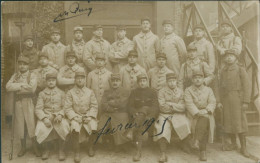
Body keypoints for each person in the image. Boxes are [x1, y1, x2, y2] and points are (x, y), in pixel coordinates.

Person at [217, 49, 250, 158]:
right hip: (226, 100)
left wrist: (246, 101)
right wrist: (219, 101)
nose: (229, 58)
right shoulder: (223, 70)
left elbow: (247, 86)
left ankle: (243, 148)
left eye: (231, 56)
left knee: (240, 123)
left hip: (237, 99)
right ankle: (234, 144)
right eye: (227, 56)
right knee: (229, 123)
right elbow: (220, 87)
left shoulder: (240, 69)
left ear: (236, 58)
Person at [6, 56, 41, 157]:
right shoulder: (15, 75)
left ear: (28, 66)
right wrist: (23, 85)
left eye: (24, 64)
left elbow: (31, 89)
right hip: (18, 102)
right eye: (20, 64)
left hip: (29, 101)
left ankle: (35, 147)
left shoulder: (32, 75)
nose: (22, 66)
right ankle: (23, 147)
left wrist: (17, 87)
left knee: (31, 123)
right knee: (20, 124)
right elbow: (8, 87)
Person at [154, 73, 191, 162]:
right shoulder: (162, 91)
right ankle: (163, 152)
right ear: (166, 82)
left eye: (173, 81)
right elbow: (162, 106)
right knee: (161, 127)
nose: (172, 83)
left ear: (176, 81)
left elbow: (183, 107)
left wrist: (170, 104)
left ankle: (184, 144)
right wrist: (176, 106)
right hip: (164, 114)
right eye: (170, 81)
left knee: (185, 123)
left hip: (178, 114)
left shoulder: (181, 91)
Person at [65, 70, 98, 163]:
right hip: (76, 116)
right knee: (75, 127)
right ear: (75, 80)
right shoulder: (70, 92)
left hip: (87, 115)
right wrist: (74, 117)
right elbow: (67, 108)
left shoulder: (90, 92)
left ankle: (90, 147)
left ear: (85, 80)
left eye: (82, 78)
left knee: (93, 125)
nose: (80, 80)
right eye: (78, 78)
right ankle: (77, 151)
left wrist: (90, 116)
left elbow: (94, 106)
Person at [35, 72, 70, 161]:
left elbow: (65, 107)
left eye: (53, 80)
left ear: (56, 82)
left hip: (58, 115)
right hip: (47, 115)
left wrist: (61, 115)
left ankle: (61, 150)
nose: (51, 82)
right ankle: (46, 149)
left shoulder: (61, 93)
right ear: (46, 82)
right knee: (41, 127)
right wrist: (44, 118)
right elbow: (38, 109)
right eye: (49, 81)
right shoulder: (42, 93)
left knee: (64, 126)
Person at [184, 71, 216, 161]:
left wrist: (207, 110)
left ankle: (198, 144)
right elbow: (188, 103)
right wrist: (197, 112)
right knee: (202, 122)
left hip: (206, 112)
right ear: (192, 80)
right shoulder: (188, 90)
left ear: (203, 79)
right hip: (193, 114)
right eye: (195, 78)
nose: (197, 79)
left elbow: (212, 102)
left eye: (200, 78)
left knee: (204, 120)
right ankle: (202, 151)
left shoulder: (209, 90)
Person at [127, 73, 159, 162]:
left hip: (149, 116)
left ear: (147, 82)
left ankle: (131, 131)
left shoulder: (152, 92)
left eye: (144, 81)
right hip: (138, 116)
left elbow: (155, 106)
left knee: (144, 108)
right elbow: (130, 106)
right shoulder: (134, 92)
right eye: (140, 81)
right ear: (138, 83)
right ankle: (138, 151)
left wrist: (150, 116)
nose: (142, 83)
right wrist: (134, 113)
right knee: (140, 125)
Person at [98, 73, 131, 151]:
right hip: (109, 113)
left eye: (117, 81)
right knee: (100, 128)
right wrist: (113, 108)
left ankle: (120, 144)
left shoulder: (125, 91)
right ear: (110, 82)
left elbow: (122, 104)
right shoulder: (106, 92)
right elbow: (103, 104)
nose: (115, 83)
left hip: (121, 113)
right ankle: (108, 142)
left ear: (120, 82)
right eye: (113, 81)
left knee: (119, 129)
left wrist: (110, 102)